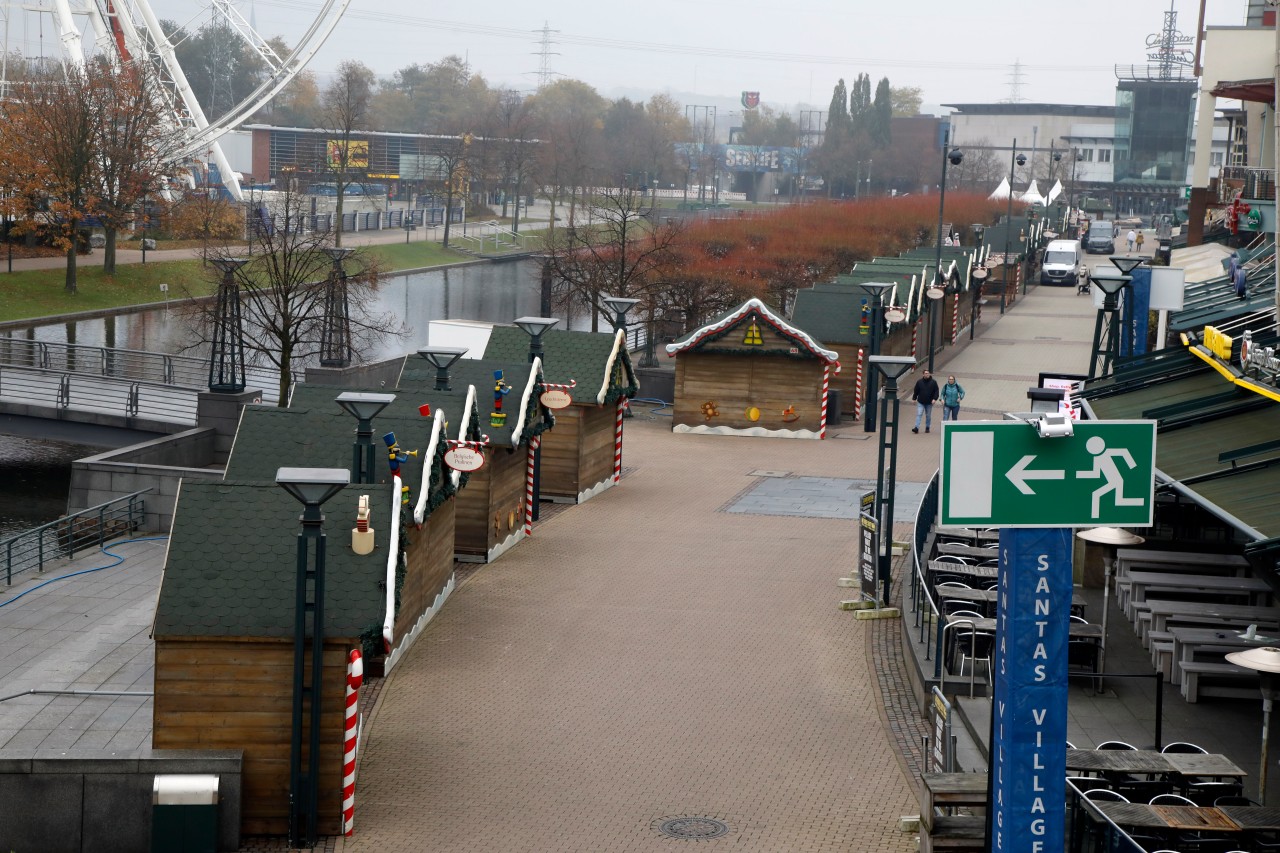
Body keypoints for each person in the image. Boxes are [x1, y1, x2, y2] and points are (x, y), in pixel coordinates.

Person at [911, 369, 940, 433]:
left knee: (928, 415)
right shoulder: (919, 382)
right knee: (919, 414)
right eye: (926, 373)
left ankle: (927, 427)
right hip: (920, 401)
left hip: (929, 402)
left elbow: (936, 391)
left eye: (928, 373)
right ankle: (916, 427)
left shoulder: (933, 382)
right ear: (923, 374)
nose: (927, 374)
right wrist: (914, 398)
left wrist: (934, 399)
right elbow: (916, 391)